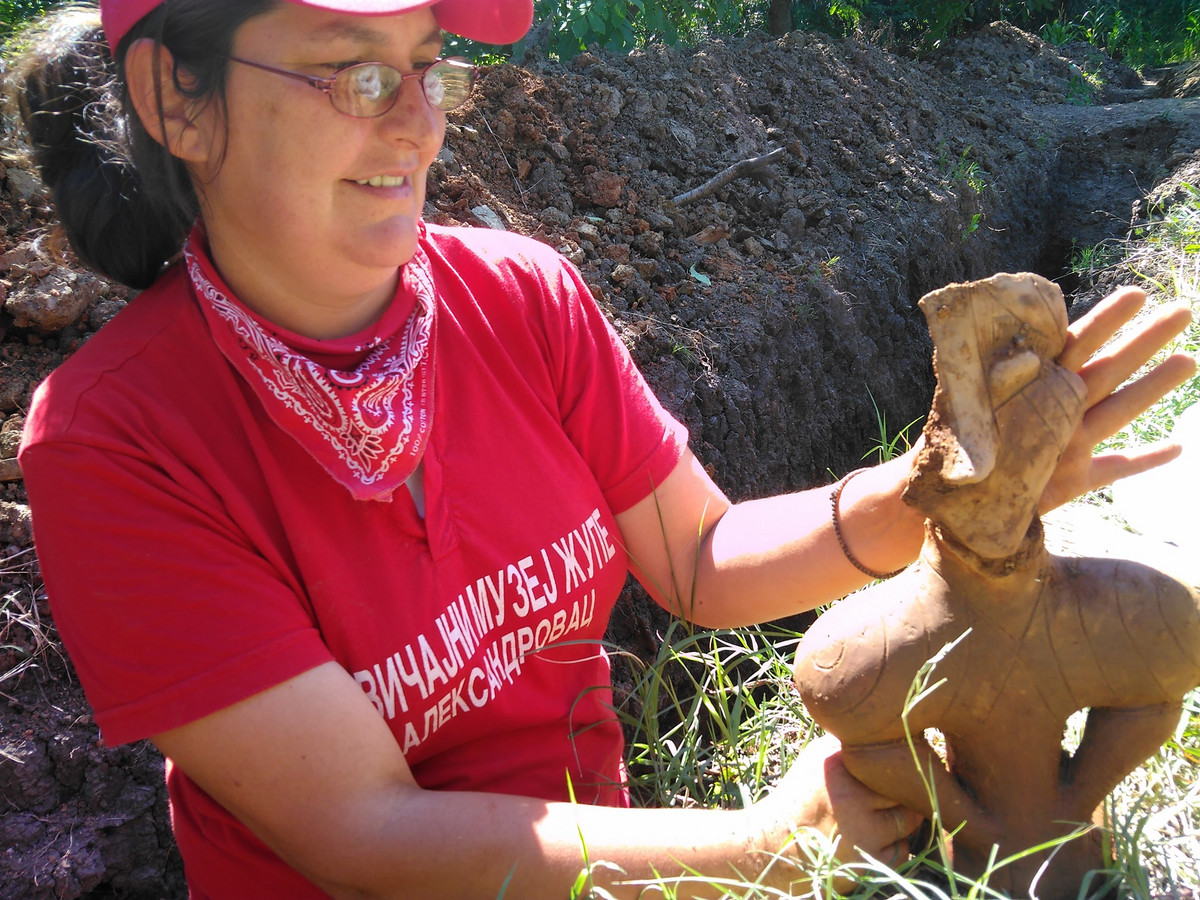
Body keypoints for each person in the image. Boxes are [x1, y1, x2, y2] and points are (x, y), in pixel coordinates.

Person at [8, 1, 1194, 898]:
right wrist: (756, 850)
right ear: (177, 98)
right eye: (353, 73)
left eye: (428, 65)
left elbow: (703, 557)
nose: (417, 123)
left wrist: (933, 492)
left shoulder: (518, 297)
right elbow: (360, 832)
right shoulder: (120, 441)